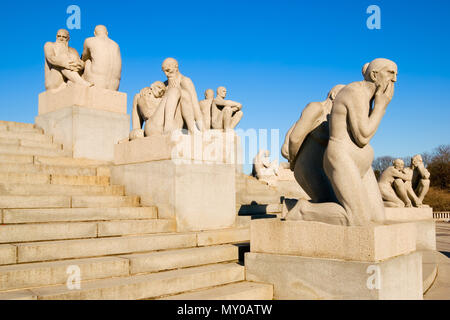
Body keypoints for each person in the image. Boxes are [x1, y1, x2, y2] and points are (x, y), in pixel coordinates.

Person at [281, 85, 345, 203]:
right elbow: (294, 139)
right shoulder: (316, 108)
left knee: (340, 204)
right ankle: (296, 208)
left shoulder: (334, 118)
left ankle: (291, 205)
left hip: (324, 170)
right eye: (346, 96)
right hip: (308, 168)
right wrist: (293, 162)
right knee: (331, 203)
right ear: (334, 95)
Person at [81, 25, 122, 91]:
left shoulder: (89, 40)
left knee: (87, 61)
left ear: (94, 33)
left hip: (96, 82)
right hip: (114, 85)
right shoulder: (116, 45)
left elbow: (83, 58)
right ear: (107, 33)